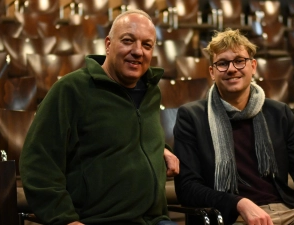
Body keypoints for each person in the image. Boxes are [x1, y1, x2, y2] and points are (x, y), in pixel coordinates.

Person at [173, 29, 294, 225]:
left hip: (288, 212)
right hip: (231, 216)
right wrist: (239, 203)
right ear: (212, 72)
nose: (232, 69)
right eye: (222, 63)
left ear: (253, 66)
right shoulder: (191, 117)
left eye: (239, 60)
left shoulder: (279, 113)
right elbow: (187, 188)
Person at [19, 9, 179, 225]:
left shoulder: (151, 91)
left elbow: (129, 131)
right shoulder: (71, 90)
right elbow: (38, 162)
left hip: (154, 219)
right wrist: (65, 219)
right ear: (108, 44)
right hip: (98, 220)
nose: (138, 51)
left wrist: (161, 148)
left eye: (147, 45)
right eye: (128, 41)